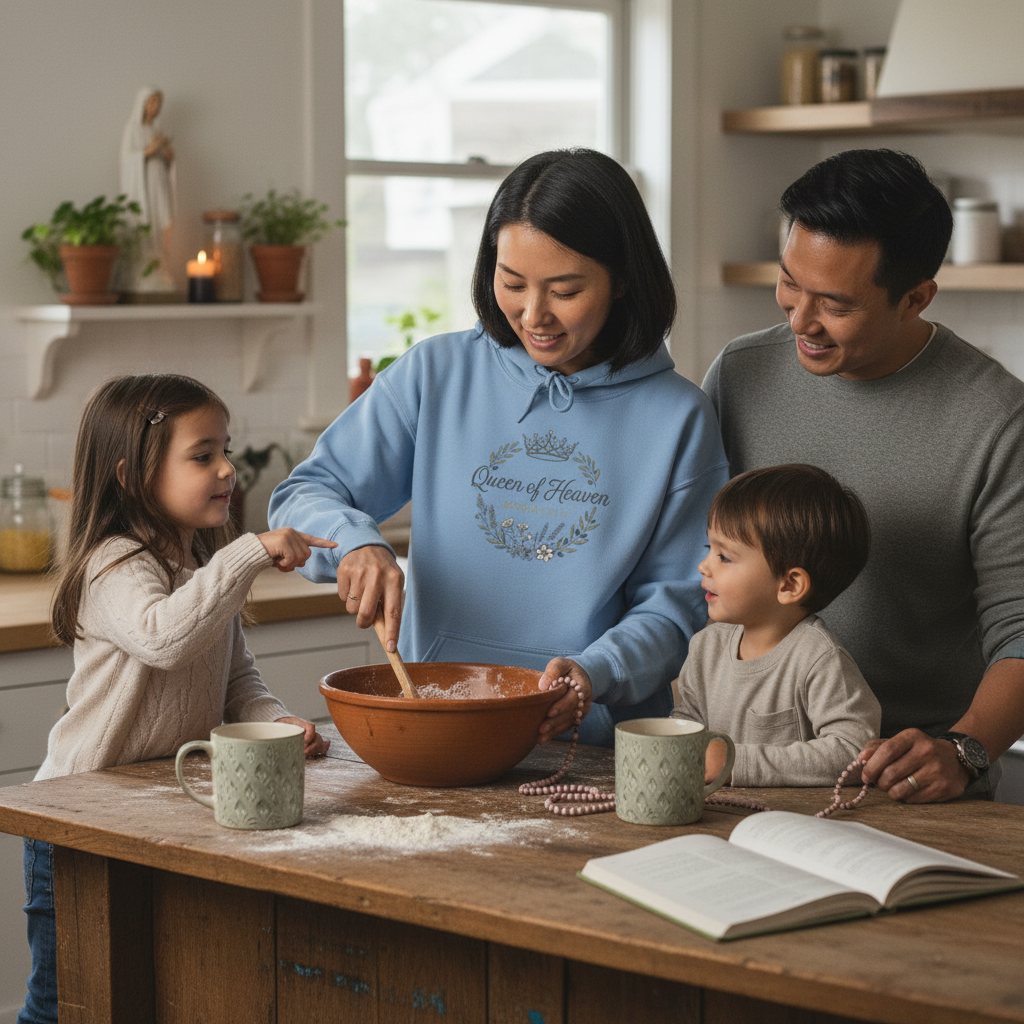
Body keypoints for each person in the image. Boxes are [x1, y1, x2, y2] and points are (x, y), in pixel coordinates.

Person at [269, 148, 729, 747]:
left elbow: (677, 607)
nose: (533, 315)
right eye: (512, 283)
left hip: (580, 746)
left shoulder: (680, 419)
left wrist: (597, 672)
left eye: (565, 290)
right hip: (430, 721)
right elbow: (303, 494)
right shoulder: (435, 373)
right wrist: (356, 542)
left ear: (623, 281)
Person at [702, 148, 1024, 803]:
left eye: (835, 304)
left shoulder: (996, 418)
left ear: (915, 297)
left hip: (904, 782)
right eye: (790, 281)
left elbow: (1020, 632)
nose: (799, 319)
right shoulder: (740, 374)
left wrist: (964, 748)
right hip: (740, 766)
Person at [18, 374, 333, 1024]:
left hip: (153, 820)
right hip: (75, 826)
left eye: (226, 448)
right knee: (61, 1007)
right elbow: (164, 638)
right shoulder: (113, 566)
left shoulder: (199, 564)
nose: (226, 469)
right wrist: (248, 552)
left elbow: (236, 678)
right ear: (132, 475)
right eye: (202, 455)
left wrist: (276, 722)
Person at [671, 464, 881, 787]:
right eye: (708, 549)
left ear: (789, 585)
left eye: (724, 557)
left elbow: (854, 750)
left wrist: (735, 762)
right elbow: (686, 728)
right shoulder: (706, 647)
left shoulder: (818, 658)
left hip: (792, 828)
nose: (704, 566)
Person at [119, 86, 176, 294]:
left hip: (158, 181)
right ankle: (144, 273)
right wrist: (150, 150)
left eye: (158, 103)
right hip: (142, 186)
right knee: (147, 224)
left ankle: (161, 269)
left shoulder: (156, 130)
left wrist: (168, 157)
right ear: (142, 104)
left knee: (164, 222)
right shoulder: (132, 129)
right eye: (152, 103)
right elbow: (127, 160)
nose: (156, 107)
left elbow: (166, 160)